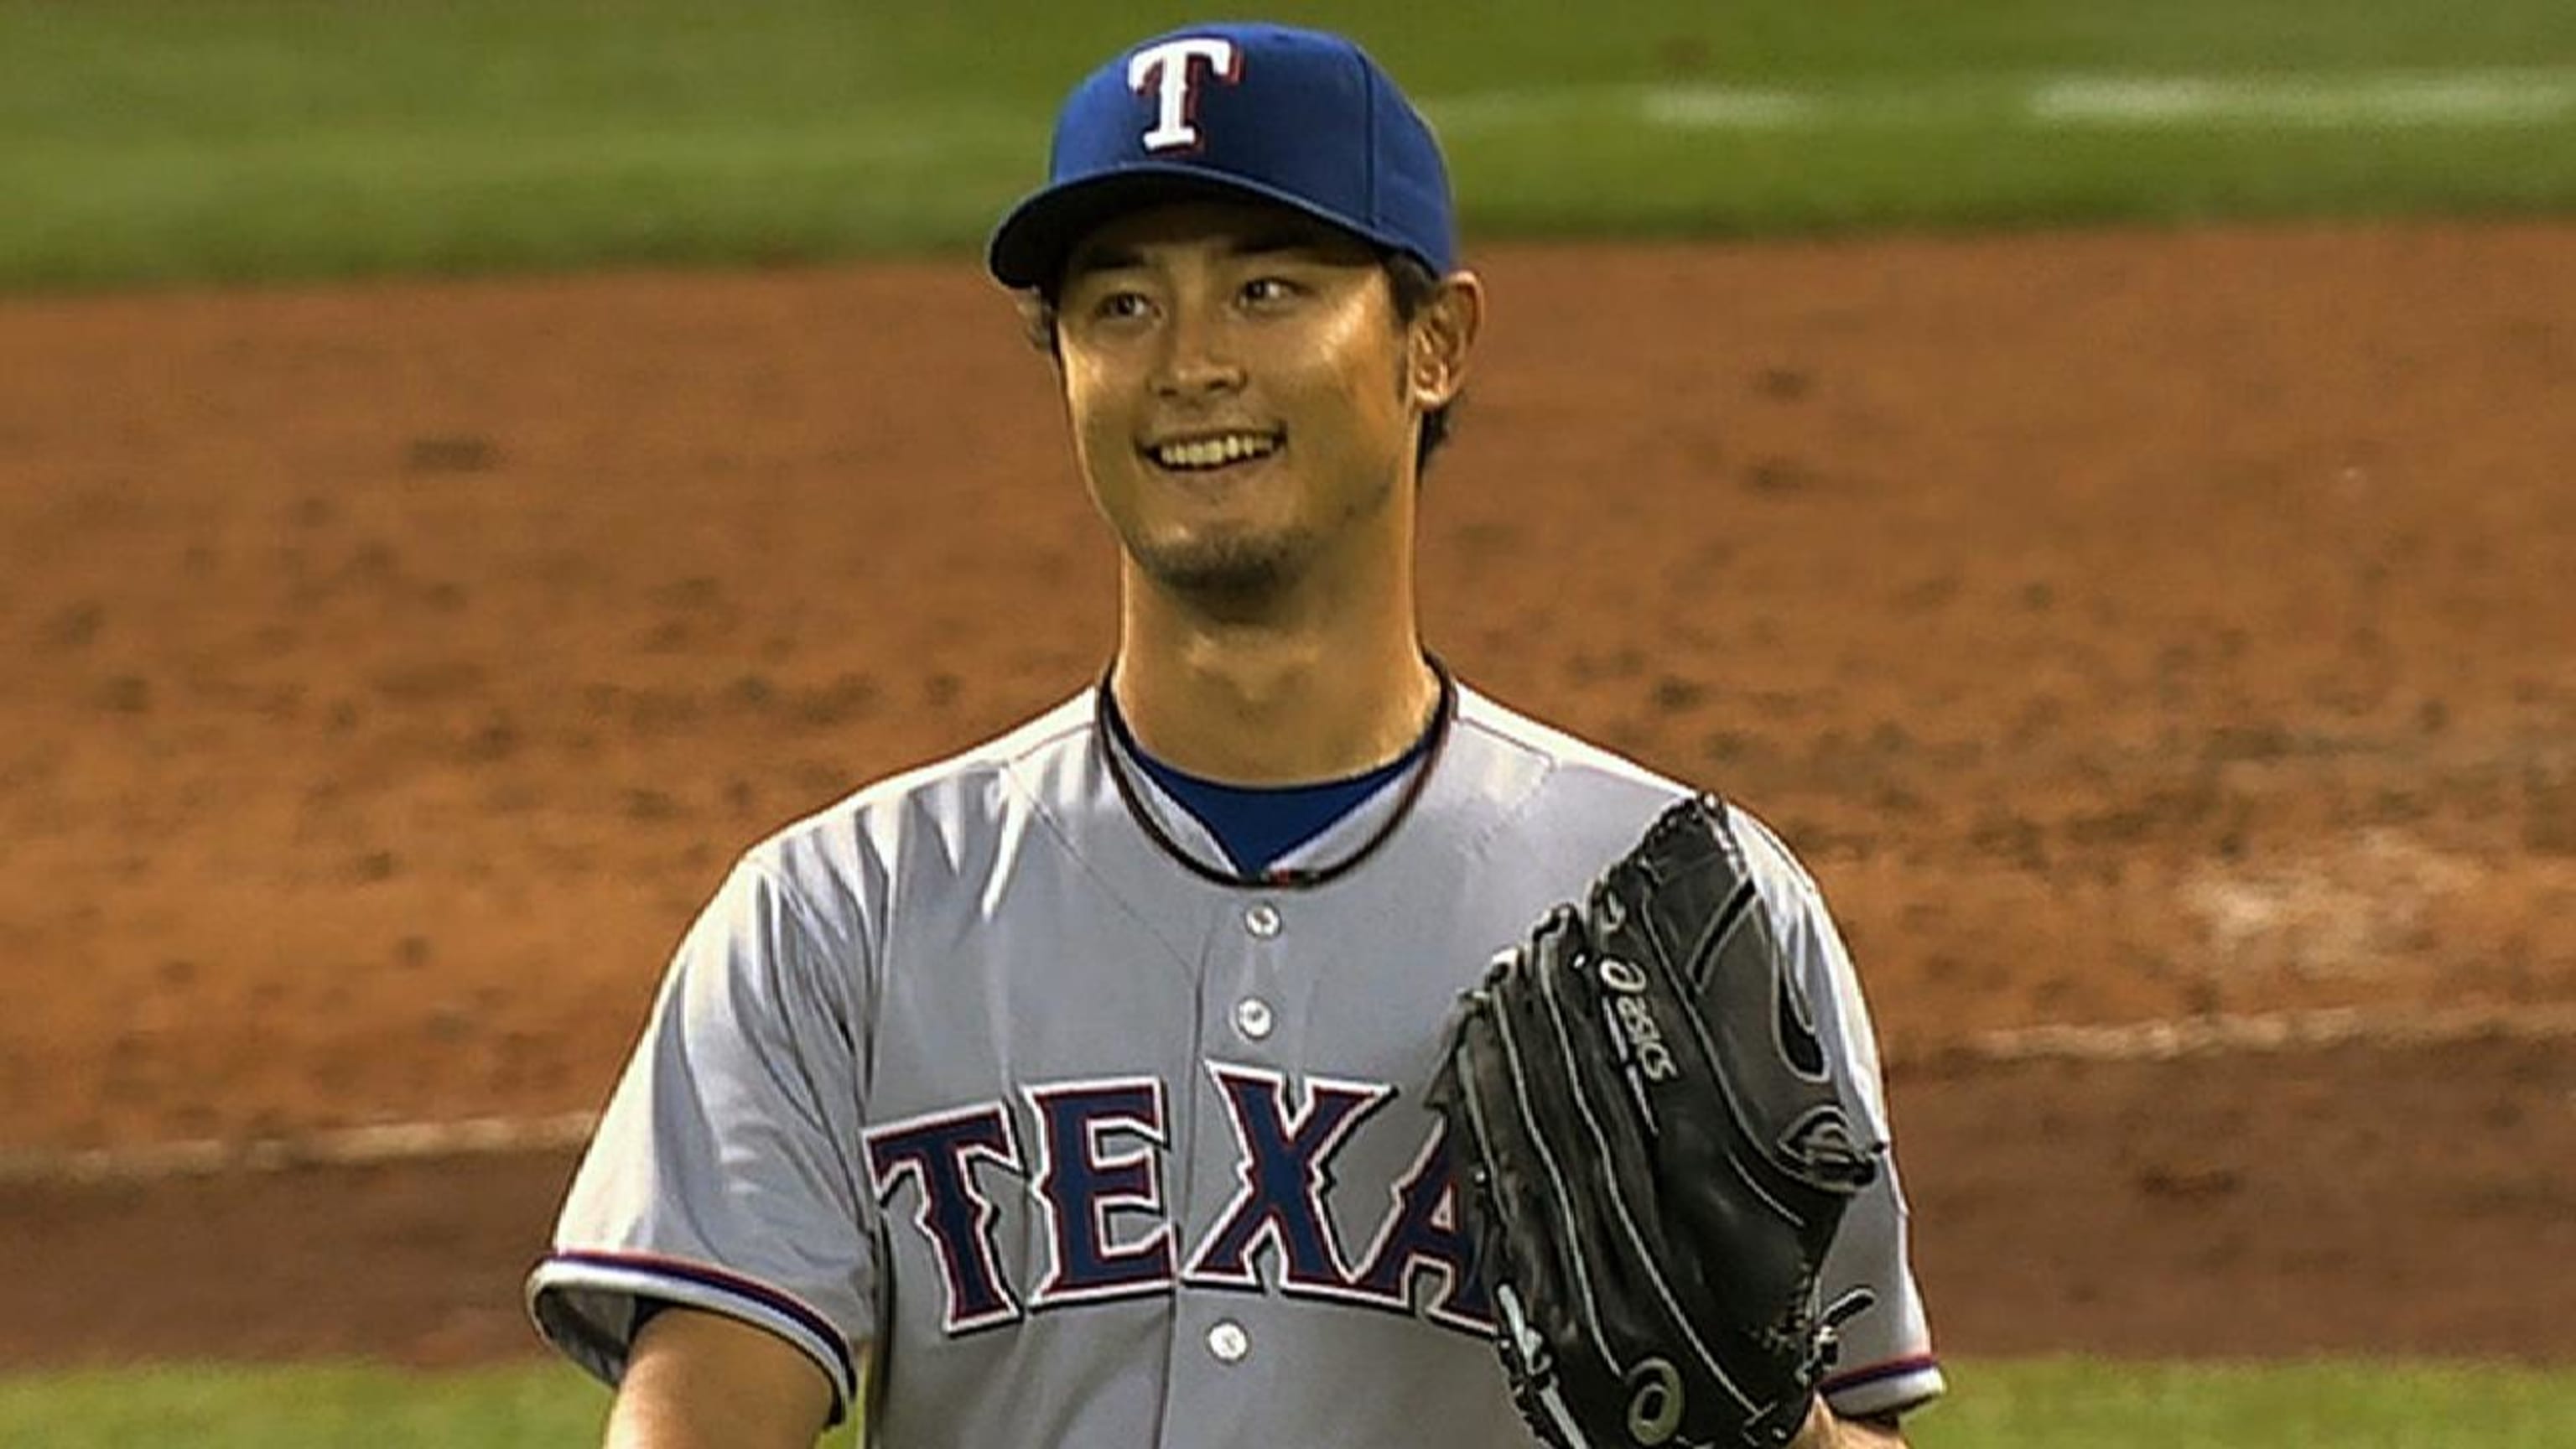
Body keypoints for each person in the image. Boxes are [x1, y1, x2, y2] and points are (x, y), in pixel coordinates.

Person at [527, 21, 1944, 1448]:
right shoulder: (841, 918)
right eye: (1122, 305)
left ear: (1433, 344)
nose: (1191, 364)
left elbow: (1859, 1422)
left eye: (1268, 290)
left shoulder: (1690, 909)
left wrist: (1774, 1425)